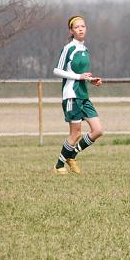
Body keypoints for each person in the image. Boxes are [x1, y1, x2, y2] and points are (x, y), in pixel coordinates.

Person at [52, 15, 104, 174]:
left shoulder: (84, 49)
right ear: (71, 31)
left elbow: (81, 74)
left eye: (83, 26)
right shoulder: (69, 48)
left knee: (98, 130)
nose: (81, 29)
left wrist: (90, 80)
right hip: (71, 95)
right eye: (77, 27)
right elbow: (57, 71)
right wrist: (79, 77)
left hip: (83, 95)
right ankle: (58, 166)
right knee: (75, 134)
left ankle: (72, 155)